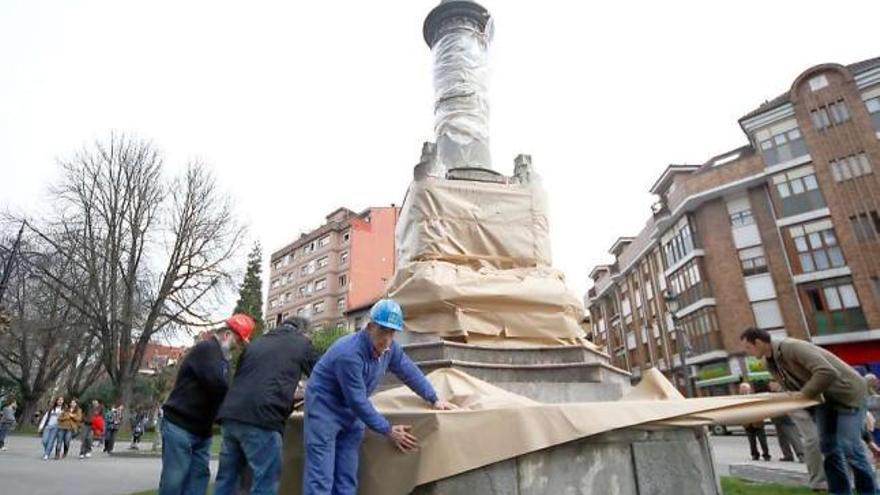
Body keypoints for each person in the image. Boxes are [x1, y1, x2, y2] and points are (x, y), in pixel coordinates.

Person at [302, 299, 458, 495]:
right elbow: (357, 400)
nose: (387, 338)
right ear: (369, 327)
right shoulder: (349, 354)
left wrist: (434, 398)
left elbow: (408, 371)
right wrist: (388, 429)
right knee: (321, 480)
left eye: (392, 332)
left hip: (352, 415)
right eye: (383, 330)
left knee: (346, 478)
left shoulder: (389, 349)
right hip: (324, 410)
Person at [741, 328, 876, 495]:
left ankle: (870, 492)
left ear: (758, 342)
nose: (746, 352)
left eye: (748, 347)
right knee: (828, 447)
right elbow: (792, 389)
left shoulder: (792, 347)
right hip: (823, 400)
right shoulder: (770, 363)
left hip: (847, 395)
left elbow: (827, 372)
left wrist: (804, 395)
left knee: (850, 447)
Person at [213, 316, 317, 495]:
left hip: (231, 415)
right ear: (303, 332)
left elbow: (245, 378)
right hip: (263, 418)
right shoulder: (302, 343)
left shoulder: (256, 343)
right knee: (265, 481)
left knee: (226, 479)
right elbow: (321, 375)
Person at [158, 313, 253, 495]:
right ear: (227, 335)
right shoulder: (207, 349)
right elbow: (216, 383)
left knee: (198, 480)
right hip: (181, 425)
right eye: (238, 342)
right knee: (174, 481)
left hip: (201, 431)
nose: (237, 347)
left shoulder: (222, 360)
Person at [767, 380, 805, 462]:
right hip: (777, 419)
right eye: (770, 386)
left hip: (787, 419)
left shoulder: (784, 392)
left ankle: (801, 455)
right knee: (782, 439)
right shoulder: (772, 394)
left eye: (772, 385)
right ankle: (787, 455)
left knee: (794, 438)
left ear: (777, 384)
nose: (771, 387)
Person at [739, 382, 771, 461]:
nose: (743, 390)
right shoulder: (738, 399)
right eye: (741, 388)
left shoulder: (755, 397)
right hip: (747, 424)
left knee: (763, 441)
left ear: (749, 389)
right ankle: (754, 455)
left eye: (744, 388)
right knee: (752, 442)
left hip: (758, 423)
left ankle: (766, 455)